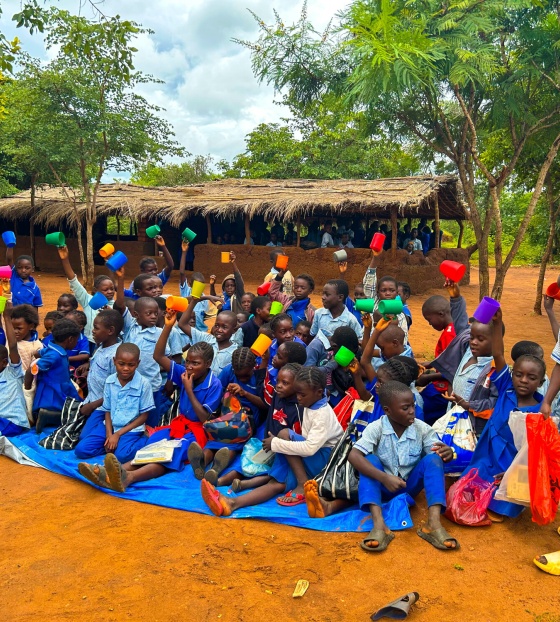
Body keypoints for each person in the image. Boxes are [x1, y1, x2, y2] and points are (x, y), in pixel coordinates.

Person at [200, 367, 343, 515]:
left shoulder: (322, 415)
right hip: (313, 456)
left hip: (325, 460)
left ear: (319, 392)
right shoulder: (311, 403)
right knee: (278, 480)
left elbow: (310, 448)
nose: (298, 398)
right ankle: (232, 503)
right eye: (297, 393)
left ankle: (301, 483)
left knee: (284, 438)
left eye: (302, 394)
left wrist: (276, 443)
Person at [346, 380, 458, 552]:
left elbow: (437, 453)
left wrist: (447, 454)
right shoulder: (376, 428)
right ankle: (379, 525)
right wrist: (384, 477)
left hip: (408, 487)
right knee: (369, 459)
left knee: (433, 459)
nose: (412, 411)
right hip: (382, 486)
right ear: (387, 410)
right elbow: (353, 455)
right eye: (405, 408)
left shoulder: (421, 428)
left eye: (412, 406)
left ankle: (433, 524)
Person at [465, 308, 545, 519]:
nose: (523, 380)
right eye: (519, 375)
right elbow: (498, 354)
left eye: (531, 377)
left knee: (506, 493)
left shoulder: (540, 409)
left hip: (512, 459)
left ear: (541, 383)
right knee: (473, 479)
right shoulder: (506, 388)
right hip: (489, 449)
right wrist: (497, 324)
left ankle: (501, 503)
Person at [115, 269, 177, 425]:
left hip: (152, 385)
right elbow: (120, 305)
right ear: (136, 315)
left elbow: (168, 359)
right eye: (149, 313)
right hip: (129, 382)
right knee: (131, 417)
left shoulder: (159, 333)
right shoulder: (130, 326)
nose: (154, 316)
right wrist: (121, 279)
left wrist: (171, 380)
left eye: (156, 313)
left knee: (151, 420)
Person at [75, 343, 153, 463]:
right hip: (110, 425)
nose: (125, 368)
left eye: (131, 365)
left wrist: (117, 435)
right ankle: (112, 447)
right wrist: (109, 435)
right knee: (81, 450)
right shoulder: (110, 381)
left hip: (131, 429)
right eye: (121, 364)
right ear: (114, 361)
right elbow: (107, 410)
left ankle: (144, 439)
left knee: (121, 457)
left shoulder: (144, 384)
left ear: (138, 363)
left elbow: (144, 416)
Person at [56, 245, 115, 345]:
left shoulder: (116, 306)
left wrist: (111, 264)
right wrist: (65, 259)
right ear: (96, 290)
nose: (110, 291)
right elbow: (74, 282)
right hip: (89, 343)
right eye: (105, 290)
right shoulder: (88, 300)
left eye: (112, 289)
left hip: (107, 344)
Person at [25, 318, 81, 415]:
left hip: (57, 387)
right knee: (68, 411)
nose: (77, 343)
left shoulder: (52, 349)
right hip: (54, 391)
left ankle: (47, 415)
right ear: (70, 339)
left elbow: (37, 353)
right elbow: (31, 370)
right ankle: (48, 416)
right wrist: (28, 392)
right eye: (77, 340)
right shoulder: (54, 355)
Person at [76, 309, 123, 419]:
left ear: (110, 331)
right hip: (91, 400)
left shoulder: (116, 357)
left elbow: (117, 390)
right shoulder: (101, 347)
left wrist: (92, 406)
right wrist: (88, 373)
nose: (93, 331)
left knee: (83, 435)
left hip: (102, 408)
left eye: (96, 328)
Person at [177, 297, 238, 376]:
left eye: (224, 327)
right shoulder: (205, 339)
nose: (219, 330)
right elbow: (182, 324)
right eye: (216, 325)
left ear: (234, 330)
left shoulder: (235, 352)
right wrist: (194, 301)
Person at [362, 248, 409, 341]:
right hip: (369, 346)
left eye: (391, 290)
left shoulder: (400, 315)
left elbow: (403, 341)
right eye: (383, 290)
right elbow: (369, 283)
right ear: (378, 293)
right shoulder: (374, 304)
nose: (387, 293)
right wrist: (375, 258)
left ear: (396, 293)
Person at [0, 304, 30, 436]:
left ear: (4, 362)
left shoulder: (13, 372)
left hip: (13, 422)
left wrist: (6, 316)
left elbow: (12, 346)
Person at [10, 304, 43, 371]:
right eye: (12, 328)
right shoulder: (9, 338)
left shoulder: (36, 346)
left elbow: (34, 371)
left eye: (19, 328)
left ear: (31, 326)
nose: (15, 331)